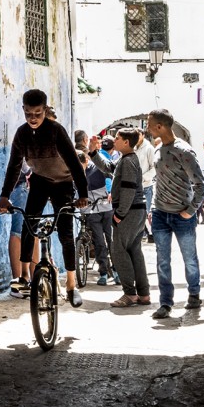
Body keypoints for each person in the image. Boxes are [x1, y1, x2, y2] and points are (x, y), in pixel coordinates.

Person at [0, 89, 90, 308]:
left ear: (45, 110)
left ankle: (71, 285)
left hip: (63, 183)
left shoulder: (56, 131)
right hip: (39, 180)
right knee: (29, 222)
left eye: (37, 113)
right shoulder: (21, 134)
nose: (33, 118)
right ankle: (25, 277)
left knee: (66, 232)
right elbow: (14, 166)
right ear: (23, 110)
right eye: (28, 113)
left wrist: (83, 194)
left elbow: (75, 165)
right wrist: (4, 196)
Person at [146, 109, 204, 319]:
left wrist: (190, 211)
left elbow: (201, 184)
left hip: (182, 215)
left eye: (150, 124)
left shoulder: (184, 151)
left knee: (189, 258)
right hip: (160, 213)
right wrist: (153, 208)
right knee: (162, 261)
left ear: (160, 127)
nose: (147, 128)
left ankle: (194, 294)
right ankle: (165, 303)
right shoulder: (157, 149)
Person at [107, 128, 152, 307]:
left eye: (117, 138)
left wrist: (120, 214)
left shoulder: (128, 161)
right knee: (134, 251)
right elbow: (110, 169)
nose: (114, 141)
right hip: (135, 211)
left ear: (126, 142)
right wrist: (94, 153)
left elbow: (128, 189)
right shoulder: (125, 160)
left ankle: (129, 293)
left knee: (118, 251)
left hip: (129, 211)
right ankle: (143, 293)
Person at [77, 150, 116, 286]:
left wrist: (111, 192)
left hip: (107, 208)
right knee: (99, 242)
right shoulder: (75, 174)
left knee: (111, 240)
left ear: (86, 161)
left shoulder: (97, 169)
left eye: (79, 165)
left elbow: (112, 176)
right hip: (91, 211)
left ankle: (116, 270)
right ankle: (103, 272)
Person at [7, 160, 38, 298]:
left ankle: (34, 281)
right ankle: (20, 283)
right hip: (22, 183)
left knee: (33, 232)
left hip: (28, 184)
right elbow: (24, 160)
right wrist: (31, 172)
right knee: (19, 233)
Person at [135, 128, 156, 242]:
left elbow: (154, 168)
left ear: (142, 135)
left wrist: (143, 178)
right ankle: (143, 233)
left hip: (146, 186)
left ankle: (150, 233)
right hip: (134, 186)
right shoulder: (133, 148)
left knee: (145, 211)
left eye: (137, 135)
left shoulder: (149, 149)